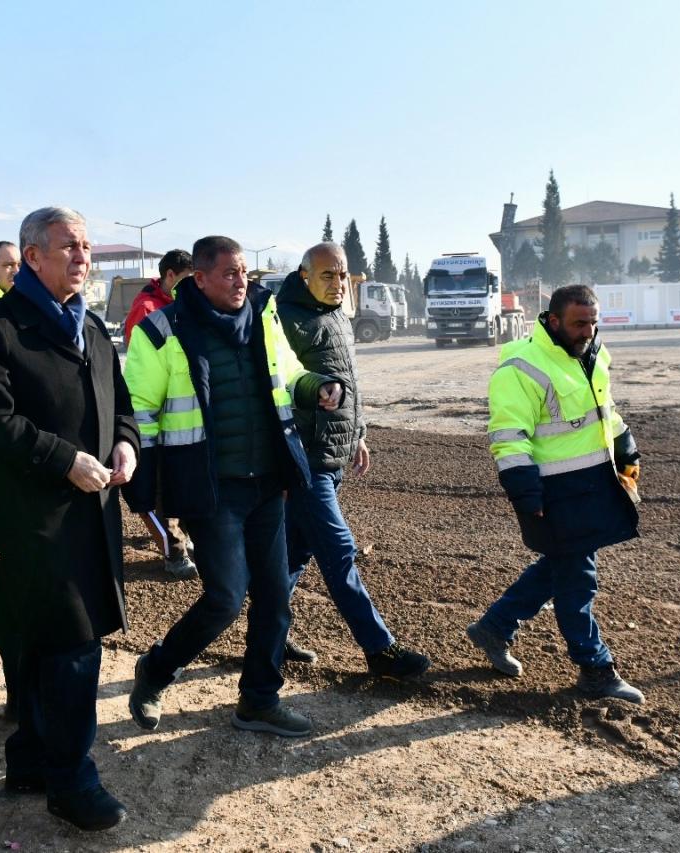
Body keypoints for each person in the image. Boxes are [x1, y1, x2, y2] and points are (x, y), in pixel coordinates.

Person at [0, 206, 138, 832]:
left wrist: (126, 443)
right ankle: (71, 780)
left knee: (44, 644)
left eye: (86, 246)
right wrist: (63, 460)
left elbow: (121, 403)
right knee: (72, 648)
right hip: (32, 520)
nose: (83, 257)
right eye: (70, 247)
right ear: (32, 257)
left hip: (91, 512)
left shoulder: (92, 328)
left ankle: (30, 758)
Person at [124, 235, 340, 739]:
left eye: (244, 272)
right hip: (209, 488)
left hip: (267, 483)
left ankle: (259, 700)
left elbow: (289, 374)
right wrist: (147, 488)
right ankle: (155, 671)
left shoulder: (265, 318)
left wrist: (320, 387)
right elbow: (140, 409)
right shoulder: (162, 330)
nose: (241, 281)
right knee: (225, 597)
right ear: (199, 279)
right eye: (229, 273)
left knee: (273, 596)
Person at [467, 284, 645, 704]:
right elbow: (509, 440)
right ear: (552, 321)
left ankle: (494, 627)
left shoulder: (594, 355)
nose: (588, 331)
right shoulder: (521, 369)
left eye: (593, 322)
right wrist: (526, 496)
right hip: (553, 492)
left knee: (560, 568)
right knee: (578, 579)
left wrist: (626, 447)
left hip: (593, 484)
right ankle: (595, 668)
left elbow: (605, 411)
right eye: (579, 323)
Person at [275, 242, 431, 679]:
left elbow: (349, 383)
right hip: (304, 460)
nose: (339, 284)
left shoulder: (338, 317)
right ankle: (379, 649)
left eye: (343, 276)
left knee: (294, 554)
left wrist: (358, 434)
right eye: (328, 275)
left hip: (333, 451)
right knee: (339, 550)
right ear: (304, 276)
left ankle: (269, 634)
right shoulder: (287, 320)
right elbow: (276, 390)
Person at [123, 248, 197, 579]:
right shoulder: (148, 311)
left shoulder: (176, 306)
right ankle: (174, 552)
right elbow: (145, 373)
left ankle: (182, 541)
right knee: (157, 495)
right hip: (158, 420)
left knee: (179, 490)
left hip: (183, 424)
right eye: (185, 280)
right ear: (169, 276)